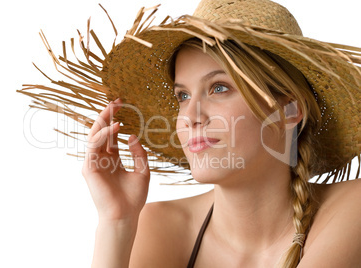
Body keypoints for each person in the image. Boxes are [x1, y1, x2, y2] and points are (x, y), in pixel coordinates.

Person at [19, 0, 361, 267]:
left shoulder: (350, 208)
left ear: (289, 110)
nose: (190, 117)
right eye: (183, 95)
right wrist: (116, 222)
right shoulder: (162, 226)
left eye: (219, 88)